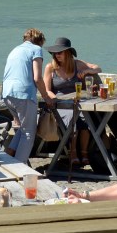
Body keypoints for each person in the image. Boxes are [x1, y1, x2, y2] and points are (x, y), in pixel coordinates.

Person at [43, 37, 101, 166]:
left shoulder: (77, 64)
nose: (57, 55)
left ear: (68, 53)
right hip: (60, 104)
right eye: (55, 53)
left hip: (77, 101)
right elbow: (46, 90)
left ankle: (84, 152)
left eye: (60, 52)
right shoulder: (50, 68)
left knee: (86, 120)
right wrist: (56, 100)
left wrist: (88, 71)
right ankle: (73, 152)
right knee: (72, 121)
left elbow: (98, 68)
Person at [1, 28, 54, 162]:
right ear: (40, 41)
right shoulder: (36, 49)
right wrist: (46, 97)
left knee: (23, 128)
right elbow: (37, 78)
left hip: (7, 93)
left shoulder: (15, 50)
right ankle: (19, 168)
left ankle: (9, 156)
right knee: (29, 133)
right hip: (23, 94)